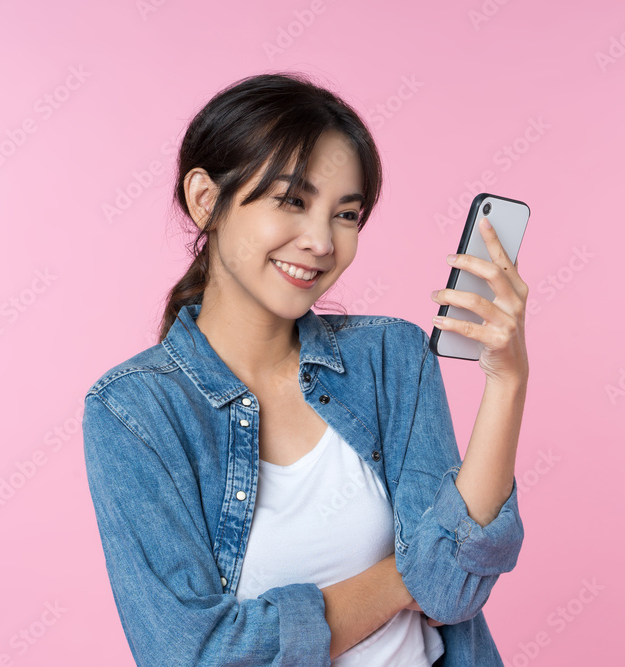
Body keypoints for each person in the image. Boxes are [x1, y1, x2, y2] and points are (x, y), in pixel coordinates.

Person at [82, 71, 529, 666]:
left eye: (347, 215)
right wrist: (400, 579)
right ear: (205, 199)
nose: (321, 241)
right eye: (292, 201)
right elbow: (192, 656)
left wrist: (507, 381)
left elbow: (450, 586)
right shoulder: (134, 412)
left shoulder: (391, 358)